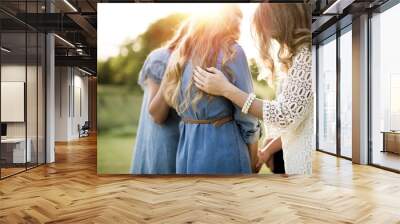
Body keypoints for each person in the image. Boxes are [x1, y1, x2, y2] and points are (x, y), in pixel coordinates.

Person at [193, 3, 314, 175]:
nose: (273, 40)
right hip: (295, 162)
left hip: (305, 168)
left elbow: (284, 115)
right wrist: (268, 149)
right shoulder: (299, 58)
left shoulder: (306, 58)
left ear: (281, 22)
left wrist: (226, 89)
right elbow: (297, 120)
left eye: (272, 34)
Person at [159, 5, 260, 174]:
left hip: (187, 150)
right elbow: (247, 114)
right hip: (225, 147)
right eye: (237, 21)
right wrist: (253, 155)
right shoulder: (233, 52)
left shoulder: (180, 55)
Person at [131, 22, 189, 174]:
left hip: (177, 147)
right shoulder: (162, 58)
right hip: (163, 148)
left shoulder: (196, 62)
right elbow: (157, 115)